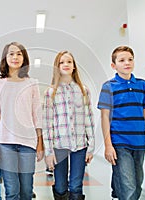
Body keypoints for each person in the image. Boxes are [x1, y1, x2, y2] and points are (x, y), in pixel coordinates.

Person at [97, 46, 145, 200]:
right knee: (128, 186)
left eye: (130, 59)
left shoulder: (141, 85)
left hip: (139, 142)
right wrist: (108, 145)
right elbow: (105, 117)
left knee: (137, 183)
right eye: (122, 60)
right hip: (120, 142)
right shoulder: (109, 87)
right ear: (114, 65)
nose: (127, 63)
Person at [0, 42, 44, 200]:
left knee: (27, 190)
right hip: (5, 142)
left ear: (24, 58)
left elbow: (37, 114)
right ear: (5, 58)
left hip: (28, 143)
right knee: (11, 190)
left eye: (19, 54)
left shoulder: (32, 83)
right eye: (11, 54)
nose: (15, 57)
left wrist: (40, 144)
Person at [43, 51, 95, 200]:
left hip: (80, 145)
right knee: (60, 185)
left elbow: (89, 118)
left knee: (76, 185)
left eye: (69, 62)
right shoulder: (51, 92)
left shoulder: (83, 90)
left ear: (74, 66)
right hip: (59, 146)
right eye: (62, 62)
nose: (66, 65)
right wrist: (49, 152)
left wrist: (91, 147)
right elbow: (47, 124)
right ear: (57, 67)